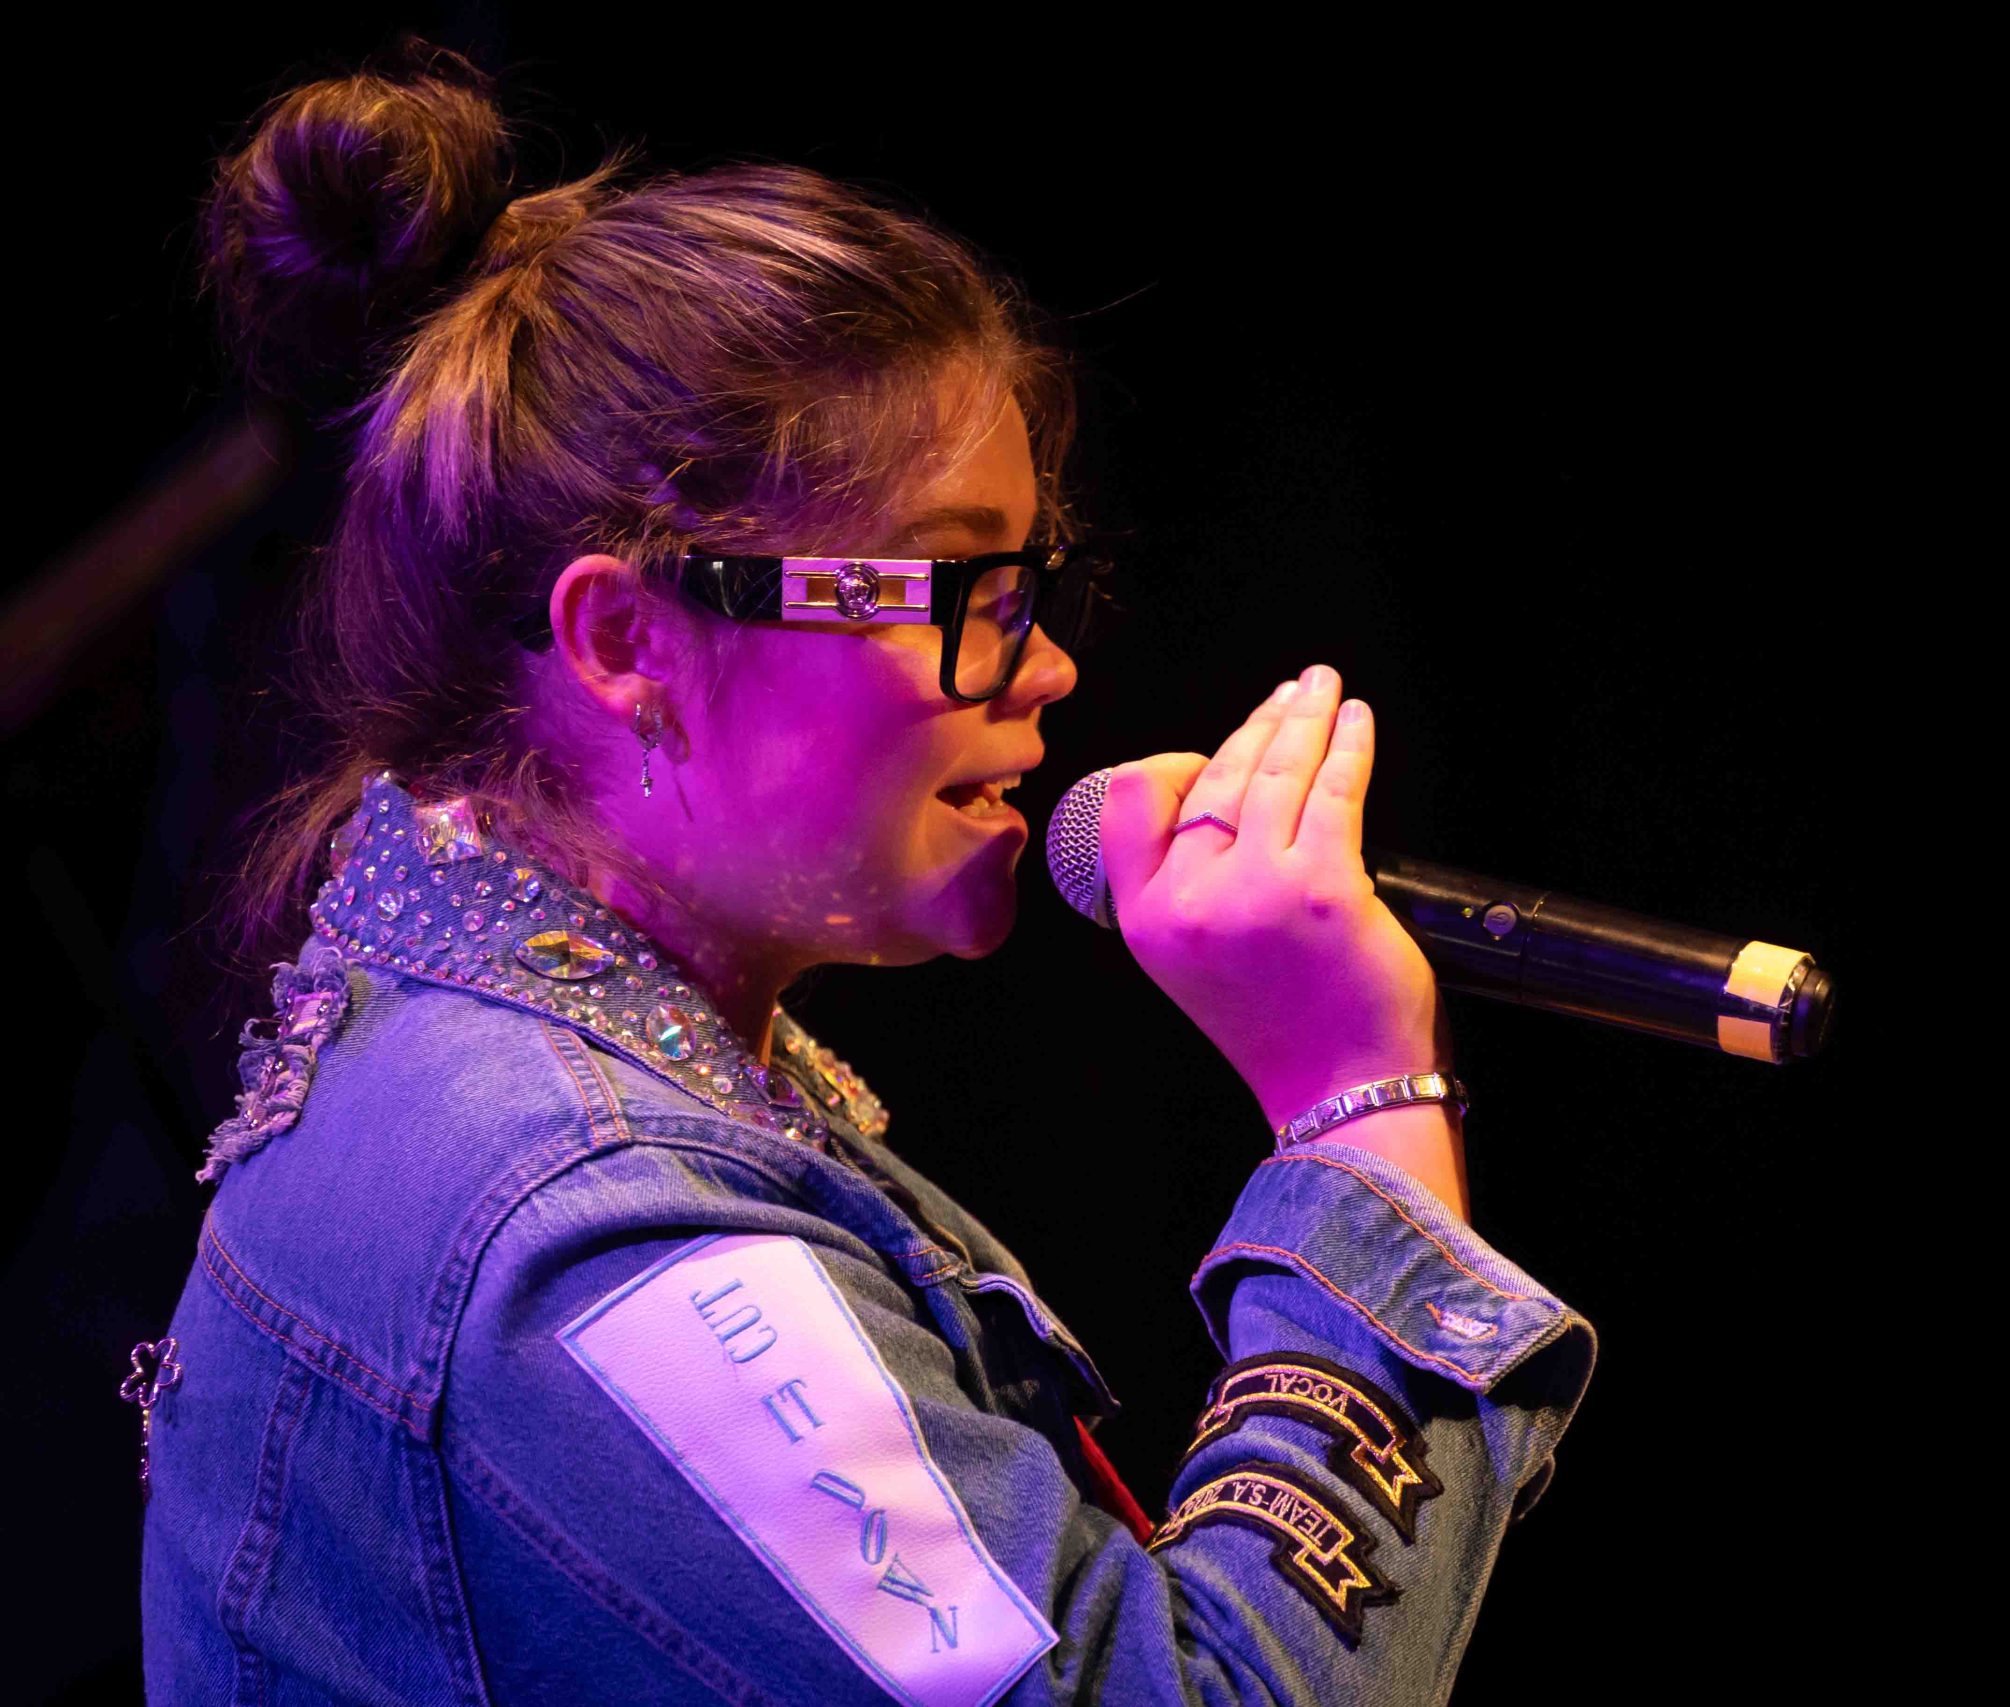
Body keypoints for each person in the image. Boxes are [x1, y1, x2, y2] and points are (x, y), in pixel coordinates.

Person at [139, 37, 1594, 1705]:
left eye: (1037, 583)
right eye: (964, 590)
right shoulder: (586, 1228)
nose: (1049, 669)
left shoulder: (491, 1011)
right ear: (626, 640)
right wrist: (1357, 1106)